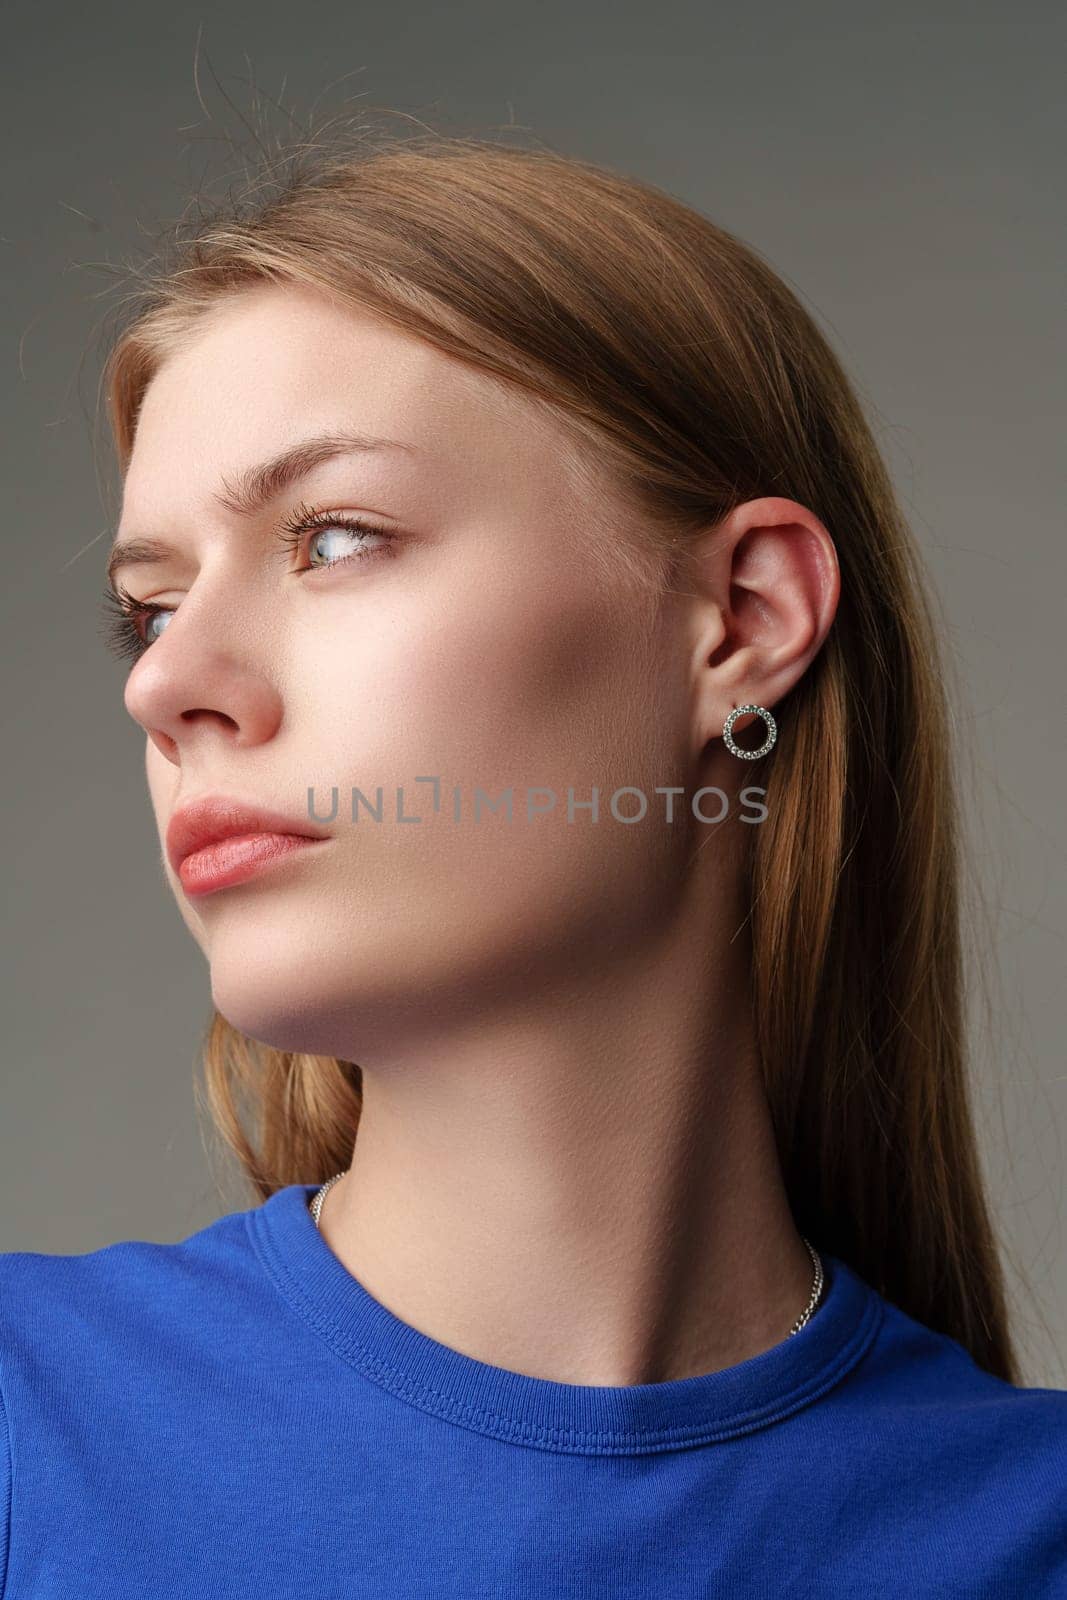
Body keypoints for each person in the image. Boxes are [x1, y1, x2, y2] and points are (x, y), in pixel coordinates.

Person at [0, 130, 1063, 1597]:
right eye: (150, 607)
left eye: (335, 539)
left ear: (745, 621)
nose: (167, 686)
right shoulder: (24, 1428)